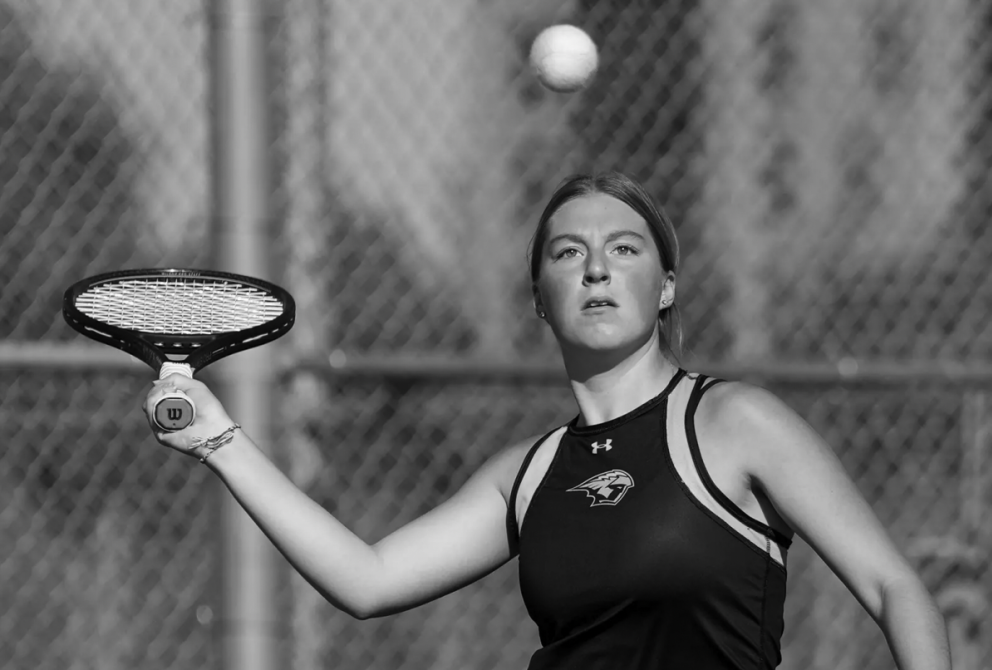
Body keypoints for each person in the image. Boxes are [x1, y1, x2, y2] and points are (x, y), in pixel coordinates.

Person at [145, 172, 951, 669]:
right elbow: (368, 580)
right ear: (540, 297)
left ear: (667, 287)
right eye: (567, 253)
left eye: (625, 249)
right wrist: (219, 439)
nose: (596, 265)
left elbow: (893, 586)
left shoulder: (736, 422)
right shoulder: (526, 475)